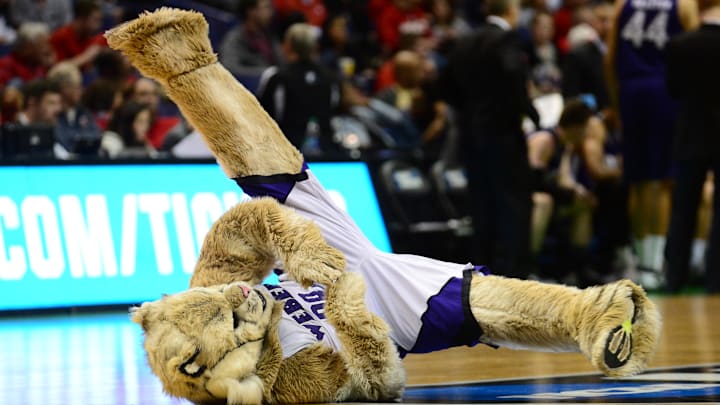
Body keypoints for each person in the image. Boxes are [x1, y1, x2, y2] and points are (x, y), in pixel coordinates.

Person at [106, 7, 662, 387]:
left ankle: (184, 64)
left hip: (325, 260)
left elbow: (241, 228)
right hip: (385, 314)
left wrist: (295, 246)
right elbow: (376, 380)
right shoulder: (285, 382)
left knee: (269, 175)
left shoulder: (207, 299)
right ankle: (600, 315)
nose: (234, 309)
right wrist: (347, 306)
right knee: (484, 308)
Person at [438, 0, 537, 279]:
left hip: (472, 136)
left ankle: (483, 273)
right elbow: (514, 77)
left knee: (481, 204)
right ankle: (513, 274)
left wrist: (469, 110)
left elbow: (443, 85)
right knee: (512, 204)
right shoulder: (507, 39)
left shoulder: (466, 41)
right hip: (504, 134)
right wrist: (529, 112)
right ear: (511, 11)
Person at [605, 0, 698, 287]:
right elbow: (692, 53)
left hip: (631, 91)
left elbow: (610, 59)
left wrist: (617, 103)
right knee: (662, 181)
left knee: (638, 181)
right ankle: (655, 264)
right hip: (664, 92)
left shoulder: (623, 5)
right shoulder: (683, 5)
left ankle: (642, 262)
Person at [663, 0, 720, 294]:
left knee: (683, 208)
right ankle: (715, 279)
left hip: (691, 132)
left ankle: (674, 277)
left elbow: (673, 91)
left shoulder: (679, 46)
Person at [256, 23, 342, 156]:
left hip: (285, 153)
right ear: (314, 47)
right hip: (325, 153)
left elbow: (262, 116)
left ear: (287, 46)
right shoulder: (331, 77)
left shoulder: (277, 76)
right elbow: (333, 112)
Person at [47, 61, 102, 158]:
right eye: (77, 86)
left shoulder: (82, 111)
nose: (81, 90)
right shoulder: (51, 113)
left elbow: (96, 136)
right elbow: (62, 142)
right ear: (64, 88)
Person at [218, 0, 281, 80]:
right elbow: (229, 68)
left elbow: (282, 66)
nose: (271, 13)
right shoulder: (236, 38)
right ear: (251, 11)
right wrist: (265, 73)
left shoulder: (269, 36)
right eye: (266, 7)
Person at [49, 0, 107, 70]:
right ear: (81, 19)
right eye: (95, 20)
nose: (98, 26)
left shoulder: (94, 37)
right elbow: (58, 70)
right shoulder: (60, 37)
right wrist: (87, 56)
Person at [0, 22, 55, 89]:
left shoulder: (40, 64)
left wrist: (50, 68)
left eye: (47, 44)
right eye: (42, 45)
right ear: (26, 47)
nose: (47, 49)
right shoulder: (5, 64)